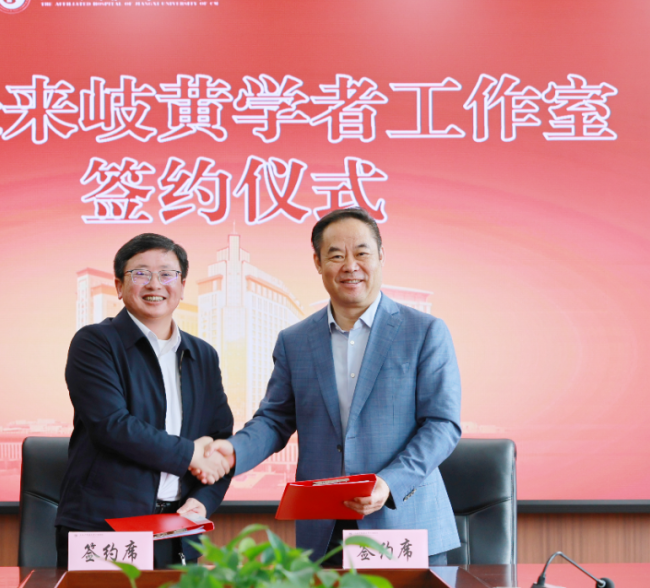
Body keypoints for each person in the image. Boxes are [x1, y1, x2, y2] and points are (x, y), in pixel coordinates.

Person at [198, 208, 462, 565]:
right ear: (318, 263)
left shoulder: (424, 331)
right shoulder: (294, 340)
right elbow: (275, 420)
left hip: (403, 520)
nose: (350, 266)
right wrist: (234, 451)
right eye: (336, 256)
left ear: (381, 256)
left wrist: (389, 482)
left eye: (362, 253)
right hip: (325, 528)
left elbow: (442, 424)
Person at [55, 233, 234, 567]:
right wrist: (190, 453)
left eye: (167, 274)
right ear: (119, 286)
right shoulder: (95, 343)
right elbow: (111, 425)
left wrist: (203, 501)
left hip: (178, 529)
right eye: (140, 273)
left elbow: (221, 441)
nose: (155, 284)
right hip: (106, 528)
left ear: (182, 286)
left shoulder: (203, 355)